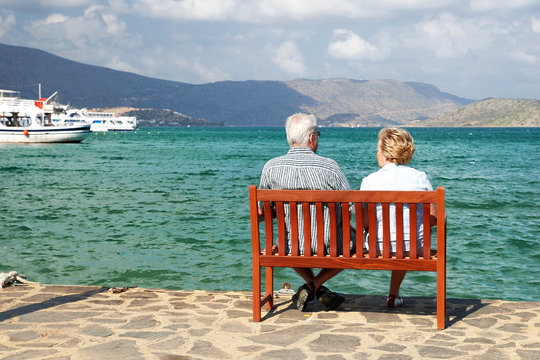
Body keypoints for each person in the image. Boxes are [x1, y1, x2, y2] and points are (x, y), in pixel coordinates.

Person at [258, 113, 351, 311]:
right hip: (329, 245)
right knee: (352, 244)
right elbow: (349, 207)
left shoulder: (271, 168)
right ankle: (315, 287)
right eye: (317, 134)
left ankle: (310, 286)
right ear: (311, 138)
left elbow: (264, 212)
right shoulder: (330, 167)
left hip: (290, 246)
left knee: (285, 242)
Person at [360, 127, 435, 308]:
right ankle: (393, 295)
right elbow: (433, 219)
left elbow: (365, 223)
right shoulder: (420, 177)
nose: (376, 153)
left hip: (377, 248)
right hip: (416, 248)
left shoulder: (369, 181)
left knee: (393, 237)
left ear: (386, 153)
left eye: (378, 149)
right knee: (403, 239)